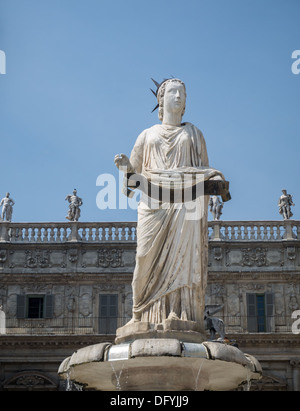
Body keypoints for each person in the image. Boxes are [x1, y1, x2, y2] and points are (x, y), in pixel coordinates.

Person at [115, 78, 228, 327]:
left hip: (186, 206)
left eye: (182, 93)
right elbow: (131, 183)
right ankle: (139, 315)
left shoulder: (194, 134)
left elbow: (203, 170)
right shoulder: (147, 135)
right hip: (154, 206)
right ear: (161, 100)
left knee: (183, 262)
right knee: (144, 258)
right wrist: (124, 167)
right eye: (173, 92)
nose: (179, 96)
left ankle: (181, 313)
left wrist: (214, 176)